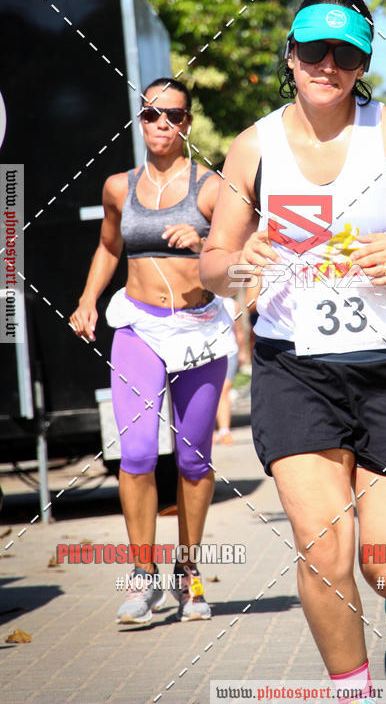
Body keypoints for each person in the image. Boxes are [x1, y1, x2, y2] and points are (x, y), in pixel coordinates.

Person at [199, 0, 386, 698]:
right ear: (288, 57)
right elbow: (212, 262)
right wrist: (241, 266)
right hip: (296, 368)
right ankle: (352, 692)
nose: (328, 64)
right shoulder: (253, 146)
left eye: (346, 53)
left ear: (362, 63)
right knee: (326, 548)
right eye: (313, 50)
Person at [70, 77, 233, 625]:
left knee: (192, 458)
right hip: (137, 325)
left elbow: (243, 256)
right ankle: (144, 579)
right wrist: (89, 299)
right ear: (139, 120)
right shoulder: (118, 186)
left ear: (188, 124)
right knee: (136, 454)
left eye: (174, 116)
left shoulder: (212, 188)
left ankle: (189, 574)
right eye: (151, 115)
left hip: (199, 330)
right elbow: (109, 246)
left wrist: (206, 242)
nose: (162, 124)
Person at [214, 296, 246, 444]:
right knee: (212, 392)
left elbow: (238, 330)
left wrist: (243, 352)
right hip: (211, 354)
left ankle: (224, 431)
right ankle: (210, 432)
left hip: (230, 352)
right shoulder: (205, 301)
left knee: (223, 390)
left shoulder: (233, 304)